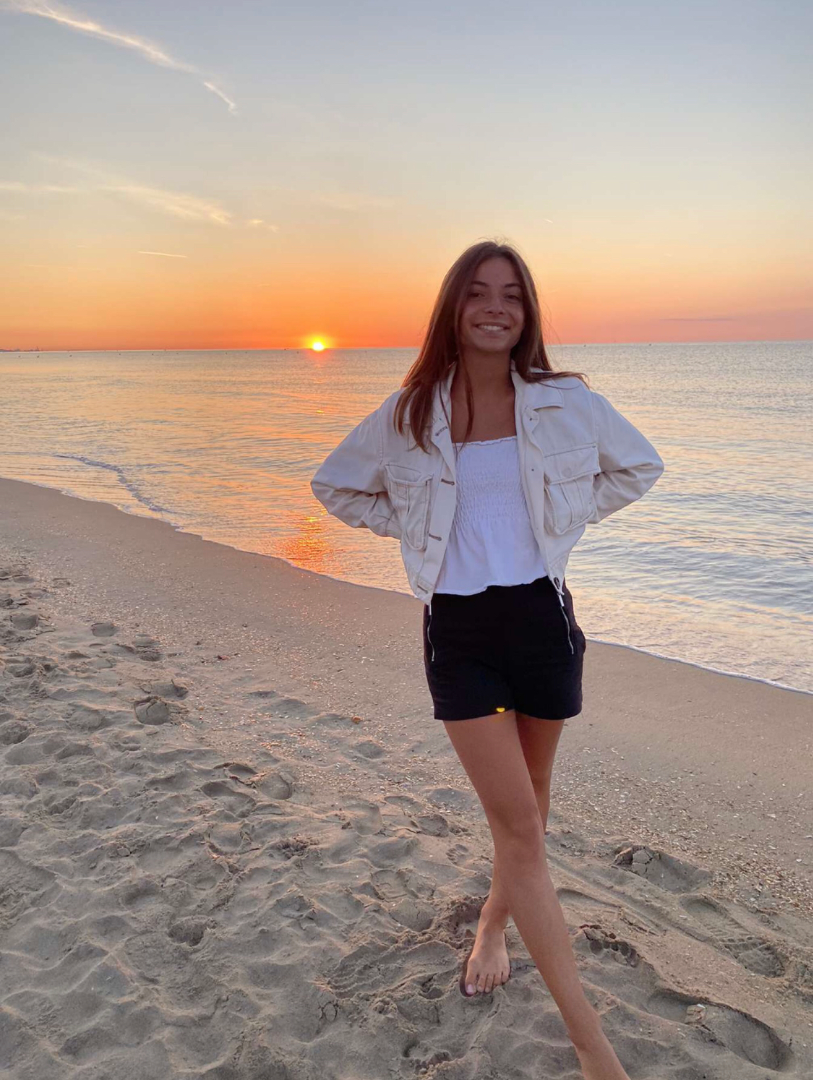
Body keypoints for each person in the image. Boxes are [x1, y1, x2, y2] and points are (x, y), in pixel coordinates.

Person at [311, 240, 664, 1080]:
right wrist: (416, 529)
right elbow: (335, 486)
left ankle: (492, 927)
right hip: (459, 630)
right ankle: (592, 1048)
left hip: (541, 618)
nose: (495, 307)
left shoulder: (565, 403)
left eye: (511, 293)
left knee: (528, 816)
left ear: (526, 311)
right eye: (478, 293)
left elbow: (638, 467)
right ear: (454, 308)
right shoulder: (409, 412)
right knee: (517, 826)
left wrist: (563, 517)